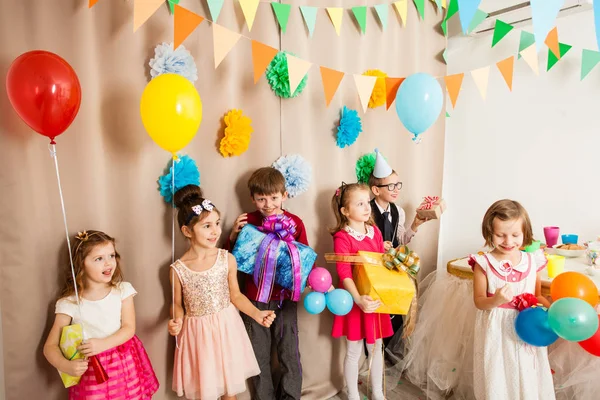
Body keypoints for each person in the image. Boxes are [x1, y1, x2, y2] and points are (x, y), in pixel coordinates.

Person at [168, 185, 275, 399]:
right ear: (187, 231)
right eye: (206, 226)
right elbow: (177, 304)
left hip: (226, 329)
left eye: (217, 223)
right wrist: (176, 320)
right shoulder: (178, 269)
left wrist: (257, 313)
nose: (215, 231)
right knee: (205, 386)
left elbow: (235, 295)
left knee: (229, 389)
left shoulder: (226, 259)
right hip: (197, 334)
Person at [43, 230, 159, 399]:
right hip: (92, 371)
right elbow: (49, 347)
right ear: (81, 263)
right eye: (99, 258)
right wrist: (65, 365)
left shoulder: (122, 290)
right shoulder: (69, 303)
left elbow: (129, 328)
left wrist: (102, 344)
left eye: (111, 256)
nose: (109, 263)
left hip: (123, 365)